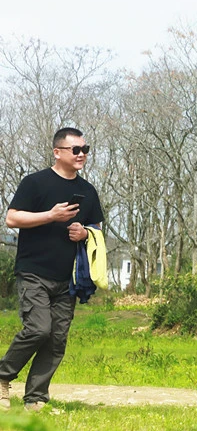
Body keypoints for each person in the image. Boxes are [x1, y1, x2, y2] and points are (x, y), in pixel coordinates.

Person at [0, 127, 104, 411]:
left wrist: (84, 233)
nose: (82, 154)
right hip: (33, 271)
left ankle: (35, 397)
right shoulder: (35, 183)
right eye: (76, 150)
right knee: (38, 329)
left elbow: (96, 228)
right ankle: (2, 378)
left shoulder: (87, 191)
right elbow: (11, 219)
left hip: (68, 278)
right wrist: (51, 215)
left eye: (86, 149)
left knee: (57, 339)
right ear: (57, 152)